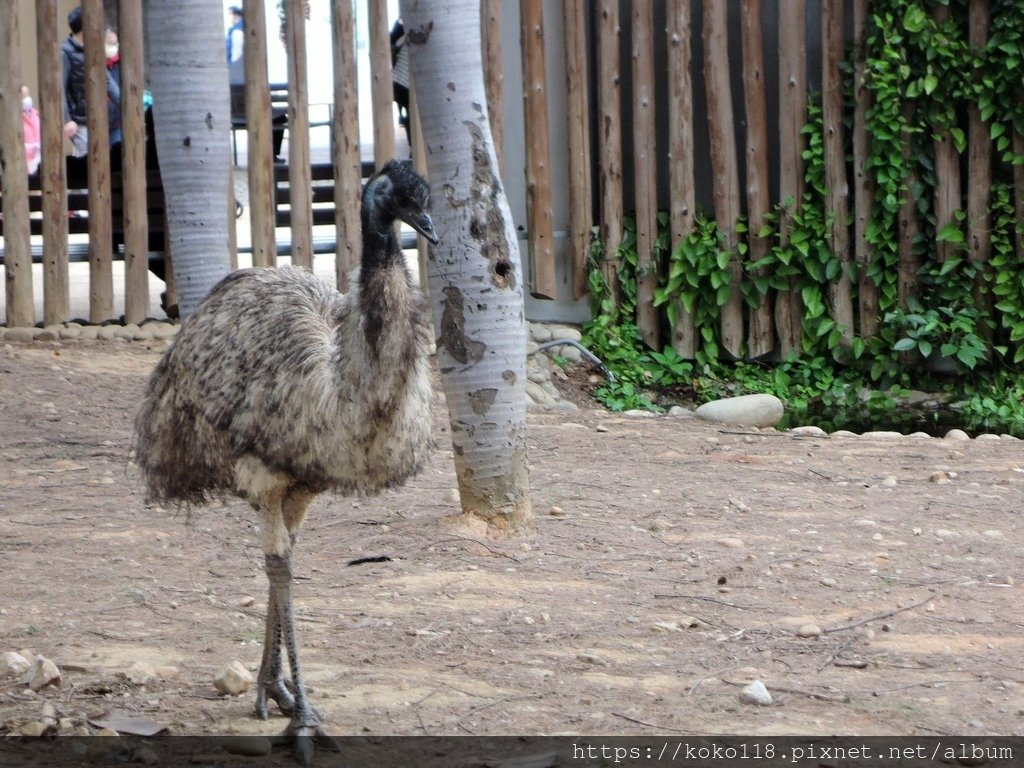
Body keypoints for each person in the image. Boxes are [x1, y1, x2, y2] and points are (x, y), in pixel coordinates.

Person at [61, 6, 119, 157]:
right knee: (91, 158)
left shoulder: (94, 50)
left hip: (96, 118)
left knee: (94, 158)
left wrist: (129, 107)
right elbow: (59, 89)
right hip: (77, 121)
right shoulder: (65, 52)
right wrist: (67, 120)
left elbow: (108, 83)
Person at [390, 18, 411, 149]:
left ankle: (412, 145)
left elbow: (394, 43)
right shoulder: (412, 37)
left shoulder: (403, 36)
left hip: (397, 81)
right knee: (412, 116)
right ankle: (413, 146)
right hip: (404, 82)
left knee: (409, 115)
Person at [105, 29, 122, 146]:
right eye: (109, 44)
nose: (113, 47)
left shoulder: (121, 64)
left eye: (115, 44)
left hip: (116, 122)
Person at [21, 86, 42, 175]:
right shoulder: (11, 118)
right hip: (21, 161)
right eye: (23, 96)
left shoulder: (37, 115)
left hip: (38, 158)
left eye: (27, 95)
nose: (26, 99)